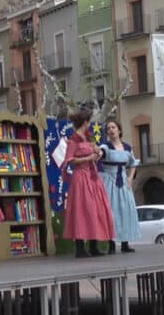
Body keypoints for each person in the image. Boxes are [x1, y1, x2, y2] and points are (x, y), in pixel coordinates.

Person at [62, 108, 116, 258]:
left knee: (95, 210)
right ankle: (80, 248)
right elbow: (70, 160)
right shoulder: (74, 140)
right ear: (85, 122)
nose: (90, 124)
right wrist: (88, 158)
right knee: (81, 211)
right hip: (81, 178)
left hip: (93, 177)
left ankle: (94, 245)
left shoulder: (88, 137)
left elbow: (96, 151)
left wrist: (97, 153)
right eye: (89, 122)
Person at [99, 120, 141, 254]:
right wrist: (98, 152)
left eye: (113, 127)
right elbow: (101, 152)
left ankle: (125, 243)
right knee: (112, 212)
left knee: (125, 211)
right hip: (109, 182)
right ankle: (111, 244)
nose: (111, 130)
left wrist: (130, 178)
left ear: (119, 130)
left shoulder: (127, 147)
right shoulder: (106, 146)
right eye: (108, 128)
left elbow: (133, 163)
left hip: (123, 182)